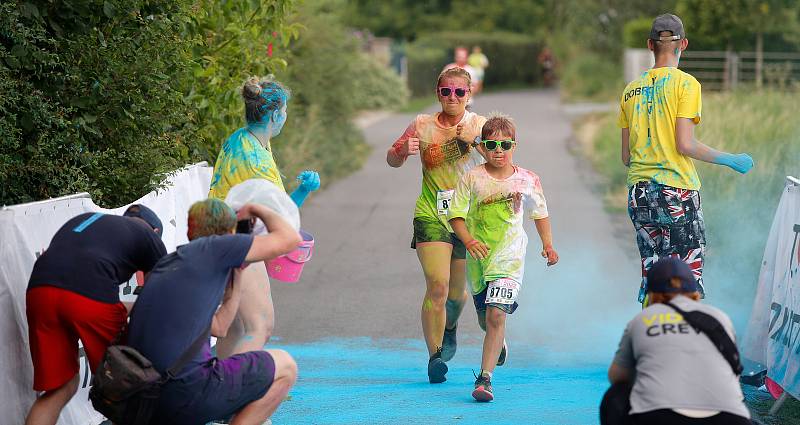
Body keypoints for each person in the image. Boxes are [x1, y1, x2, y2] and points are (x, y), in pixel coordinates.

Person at [618, 14, 754, 305]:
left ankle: (651, 339)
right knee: (685, 277)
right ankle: (683, 342)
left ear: (649, 46)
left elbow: (626, 156)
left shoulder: (630, 91)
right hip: (676, 191)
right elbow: (685, 144)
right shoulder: (686, 84)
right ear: (684, 44)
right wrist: (730, 159)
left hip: (638, 194)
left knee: (653, 274)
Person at [126, 198, 302, 425]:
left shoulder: (171, 263)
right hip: (186, 392)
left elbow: (220, 326)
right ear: (229, 232)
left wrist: (237, 275)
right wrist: (256, 207)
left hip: (145, 397)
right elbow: (290, 239)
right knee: (286, 365)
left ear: (189, 230)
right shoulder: (216, 247)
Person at [448, 114, 559, 402]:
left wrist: (548, 245)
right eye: (492, 144)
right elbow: (456, 216)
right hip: (478, 259)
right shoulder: (471, 178)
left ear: (514, 146)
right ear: (483, 146)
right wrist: (469, 240)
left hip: (509, 257)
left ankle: (484, 380)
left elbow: (540, 213)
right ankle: (499, 344)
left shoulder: (528, 180)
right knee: (487, 319)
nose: (499, 150)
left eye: (505, 144)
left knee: (497, 314)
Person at [208, 77, 321, 358]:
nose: (286, 116)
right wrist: (305, 190)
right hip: (239, 243)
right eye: (285, 111)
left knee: (234, 327)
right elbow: (282, 221)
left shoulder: (240, 138)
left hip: (217, 236)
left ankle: (221, 384)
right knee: (259, 326)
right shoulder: (258, 160)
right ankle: (236, 388)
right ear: (275, 115)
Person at [387, 67, 487, 383]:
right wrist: (401, 151)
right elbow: (392, 157)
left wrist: (479, 143)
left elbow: (503, 158)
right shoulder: (421, 124)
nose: (453, 97)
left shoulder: (479, 125)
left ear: (469, 95)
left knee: (457, 296)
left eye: (460, 92)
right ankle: (434, 357)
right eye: (446, 91)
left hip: (467, 219)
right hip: (431, 214)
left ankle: (451, 328)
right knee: (438, 286)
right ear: (438, 93)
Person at [24, 205, 166, 425]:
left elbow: (72, 288)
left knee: (62, 385)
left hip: (40, 291)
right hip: (89, 293)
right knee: (130, 382)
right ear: (155, 231)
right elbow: (156, 301)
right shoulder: (150, 237)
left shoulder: (92, 220)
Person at [601, 257, 752, 425]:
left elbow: (617, 376)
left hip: (662, 417)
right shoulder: (719, 317)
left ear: (652, 296)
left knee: (615, 396)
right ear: (695, 292)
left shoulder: (643, 319)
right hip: (729, 418)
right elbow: (734, 372)